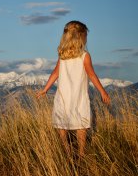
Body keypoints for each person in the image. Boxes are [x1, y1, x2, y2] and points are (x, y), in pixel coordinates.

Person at [36, 20, 110, 157]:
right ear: (81, 37)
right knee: (81, 125)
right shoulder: (84, 56)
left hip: (63, 96)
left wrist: (45, 89)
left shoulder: (63, 56)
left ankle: (67, 151)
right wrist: (103, 91)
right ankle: (81, 153)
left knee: (61, 124)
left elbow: (55, 73)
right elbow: (92, 75)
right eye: (86, 36)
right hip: (78, 96)